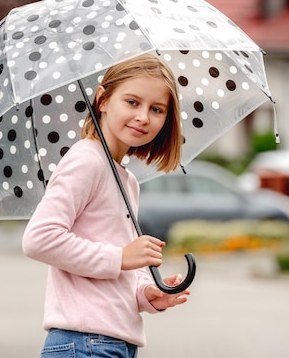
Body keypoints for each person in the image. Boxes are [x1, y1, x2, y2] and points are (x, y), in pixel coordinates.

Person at [22, 53, 190, 358]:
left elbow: (115, 268)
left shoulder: (128, 181)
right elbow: (39, 239)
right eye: (132, 102)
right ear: (102, 100)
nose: (143, 116)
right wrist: (121, 257)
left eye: (156, 109)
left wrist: (146, 293)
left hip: (114, 343)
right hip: (84, 343)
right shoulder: (86, 160)